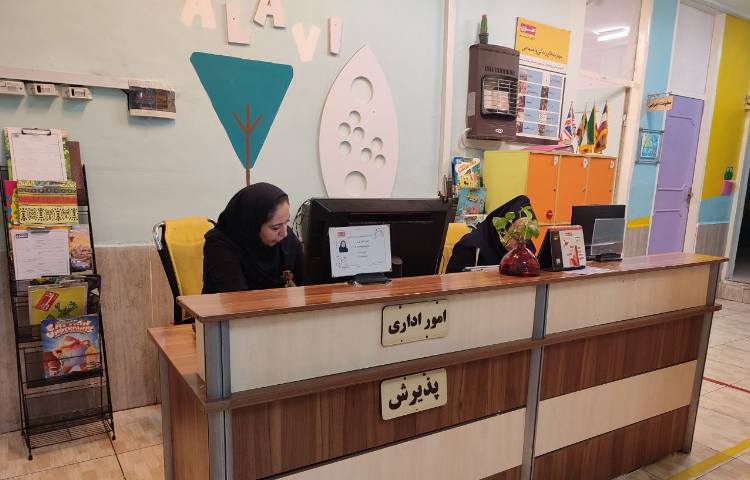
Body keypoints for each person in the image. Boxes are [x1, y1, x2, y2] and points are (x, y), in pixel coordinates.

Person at [202, 183, 303, 294]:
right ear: (253, 225)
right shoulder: (220, 247)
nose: (284, 233)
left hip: (271, 305)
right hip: (231, 305)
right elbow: (237, 299)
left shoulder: (286, 239)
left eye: (286, 222)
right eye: (275, 227)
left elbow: (309, 280)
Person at [445, 195, 536, 273]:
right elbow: (451, 284)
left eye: (526, 239)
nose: (521, 245)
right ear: (502, 230)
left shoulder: (525, 248)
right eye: (516, 238)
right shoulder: (470, 247)